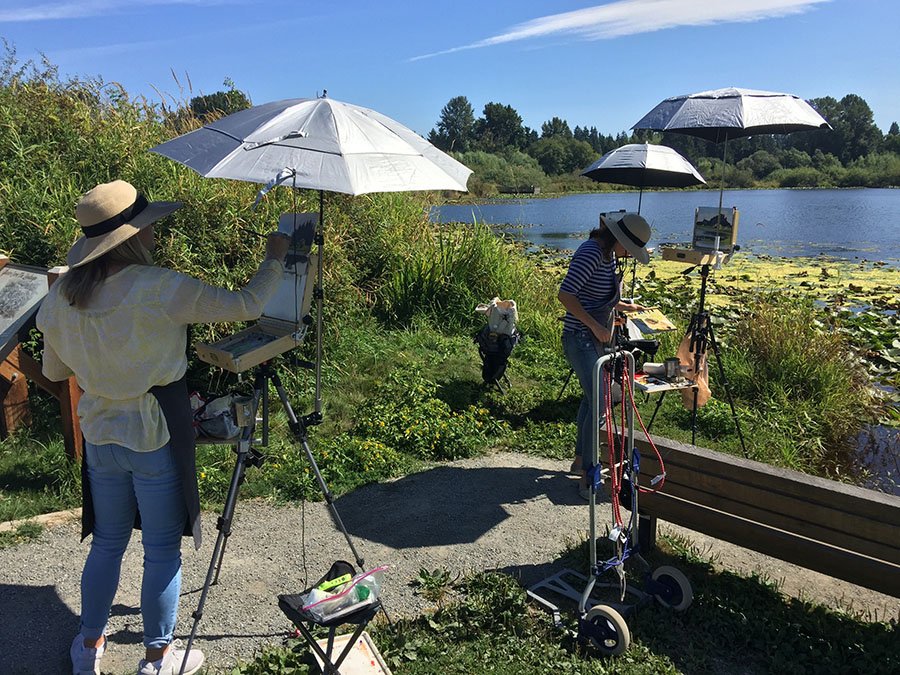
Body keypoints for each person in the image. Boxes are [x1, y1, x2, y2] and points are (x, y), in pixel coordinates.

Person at [36, 180, 290, 675]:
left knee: (108, 542)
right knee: (160, 549)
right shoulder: (161, 288)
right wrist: (275, 256)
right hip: (155, 432)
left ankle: (88, 648)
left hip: (101, 432)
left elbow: (53, 372)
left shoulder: (62, 295)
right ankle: (156, 657)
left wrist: (100, 359)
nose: (154, 232)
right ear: (136, 234)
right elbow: (247, 305)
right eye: (148, 225)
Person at [557, 212, 652, 499]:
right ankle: (589, 474)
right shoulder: (591, 252)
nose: (631, 256)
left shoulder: (609, 254)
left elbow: (594, 295)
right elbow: (566, 295)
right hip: (580, 338)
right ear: (620, 240)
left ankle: (579, 460)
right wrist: (596, 325)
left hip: (594, 338)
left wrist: (623, 307)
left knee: (592, 399)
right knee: (599, 402)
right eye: (631, 249)